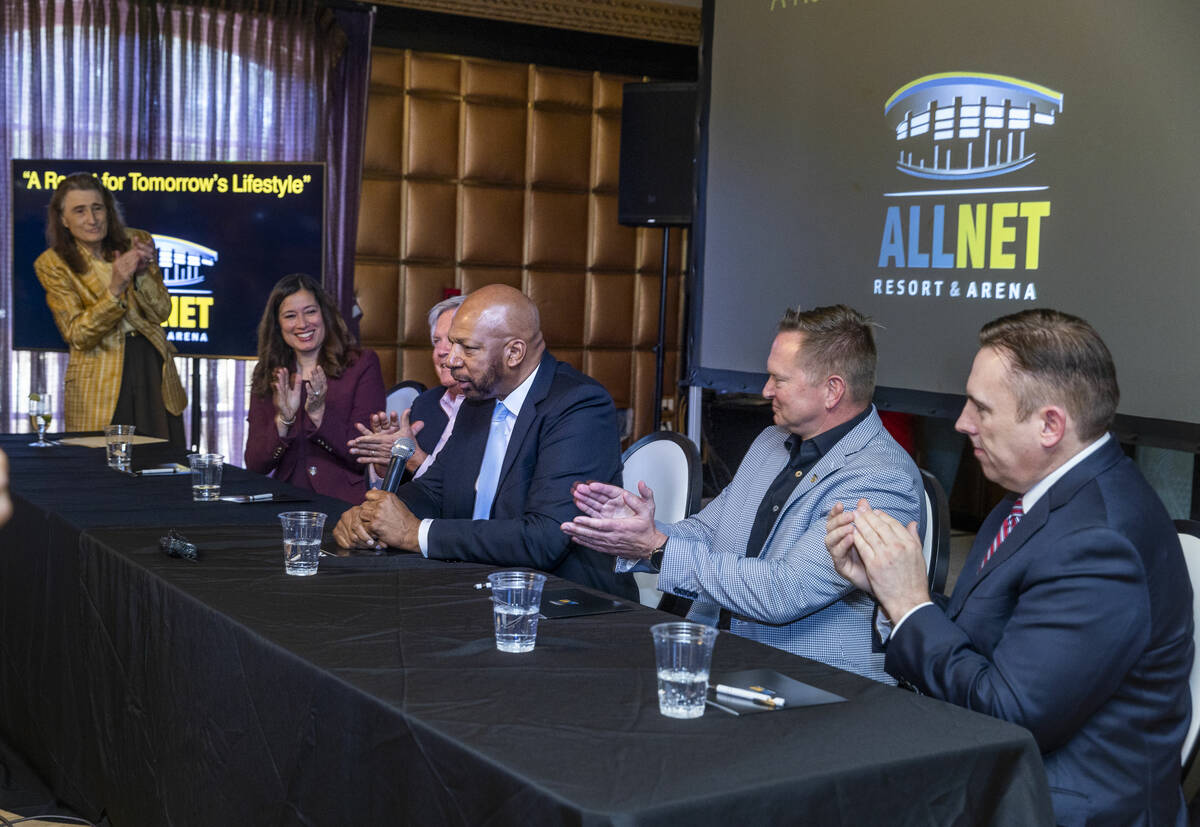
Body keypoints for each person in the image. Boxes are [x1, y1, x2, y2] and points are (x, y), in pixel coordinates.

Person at [825, 308, 1192, 825]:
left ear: (1049, 425)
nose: (961, 423)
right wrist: (890, 594)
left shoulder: (1100, 542)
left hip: (1058, 808)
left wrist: (911, 606)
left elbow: (1009, 716)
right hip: (997, 780)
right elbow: (992, 634)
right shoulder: (1037, 497)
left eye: (981, 408)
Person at [562, 305, 923, 682]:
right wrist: (638, 532)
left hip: (812, 679)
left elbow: (785, 592)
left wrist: (658, 548)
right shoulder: (771, 441)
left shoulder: (880, 479)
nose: (766, 390)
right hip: (726, 654)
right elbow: (707, 532)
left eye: (778, 379)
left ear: (832, 390)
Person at [333, 284, 635, 599]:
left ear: (514, 352)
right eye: (451, 345)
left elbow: (543, 538)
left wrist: (414, 533)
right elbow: (434, 489)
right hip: (473, 582)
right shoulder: (480, 396)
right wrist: (373, 516)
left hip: (563, 600)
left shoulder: (579, 405)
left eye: (468, 348)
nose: (450, 361)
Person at [34, 173, 187, 445]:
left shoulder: (137, 240)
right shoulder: (52, 263)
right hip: (98, 379)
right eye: (79, 211)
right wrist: (115, 288)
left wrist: (141, 276)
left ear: (109, 210)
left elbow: (162, 312)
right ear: (63, 219)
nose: (92, 220)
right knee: (102, 473)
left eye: (97, 208)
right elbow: (78, 335)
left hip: (150, 366)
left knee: (160, 466)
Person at [244, 274, 386, 503]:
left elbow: (364, 453)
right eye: (290, 316)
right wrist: (284, 420)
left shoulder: (361, 364)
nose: (302, 324)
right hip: (284, 501)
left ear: (324, 314)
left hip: (343, 504)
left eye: (310, 311)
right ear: (278, 325)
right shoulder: (268, 372)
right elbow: (254, 464)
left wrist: (320, 417)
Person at [348, 295, 467, 480]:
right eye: (436, 341)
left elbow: (463, 494)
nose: (441, 351)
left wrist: (414, 458)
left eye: (451, 340)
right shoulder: (425, 403)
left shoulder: (493, 410)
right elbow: (402, 484)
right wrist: (385, 461)